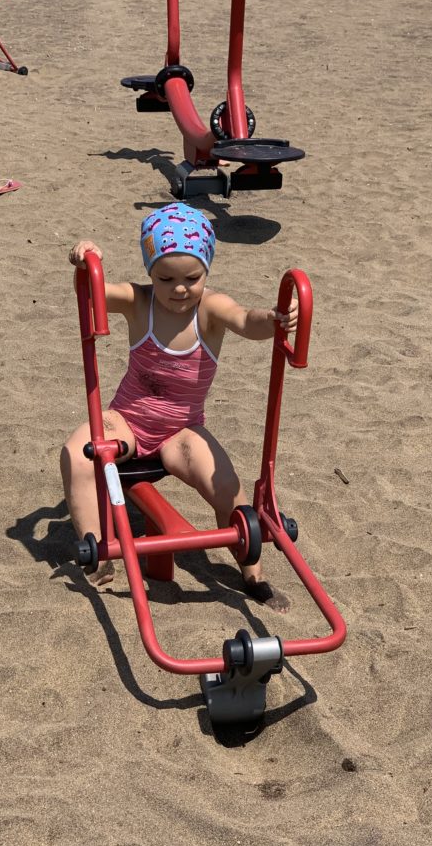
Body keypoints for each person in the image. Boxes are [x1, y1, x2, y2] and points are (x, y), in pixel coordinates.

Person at [61, 202, 297, 613]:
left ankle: (252, 572)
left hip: (180, 430)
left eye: (192, 278)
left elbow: (245, 320)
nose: (179, 289)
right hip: (129, 420)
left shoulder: (211, 309)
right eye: (165, 278)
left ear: (207, 270)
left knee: (227, 486)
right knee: (76, 453)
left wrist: (275, 318)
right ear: (150, 271)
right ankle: (97, 550)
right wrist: (85, 262)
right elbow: (92, 291)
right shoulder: (140, 301)